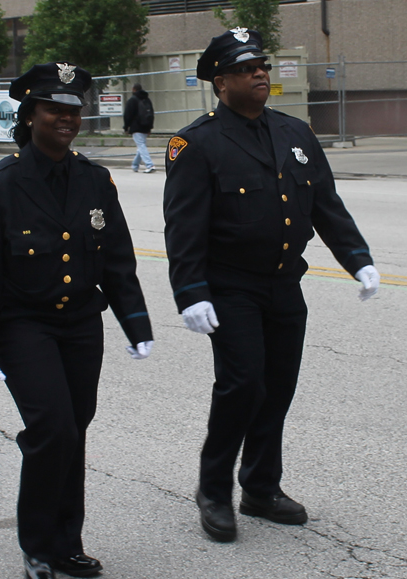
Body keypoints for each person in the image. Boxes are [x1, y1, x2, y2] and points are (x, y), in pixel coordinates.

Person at [163, 28, 380, 543]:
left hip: (284, 285)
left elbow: (326, 205)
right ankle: (213, 489)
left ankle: (260, 486)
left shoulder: (294, 133)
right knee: (242, 384)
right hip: (230, 286)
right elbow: (184, 227)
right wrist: (191, 291)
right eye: (244, 69)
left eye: (260, 65)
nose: (259, 73)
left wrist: (358, 259)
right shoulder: (196, 143)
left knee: (277, 389)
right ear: (220, 83)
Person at [0, 62, 153, 579]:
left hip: (80, 325)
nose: (67, 119)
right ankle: (38, 546)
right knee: (53, 431)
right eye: (54, 110)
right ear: (31, 116)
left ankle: (68, 540)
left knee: (76, 427)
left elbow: (117, 259)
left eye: (73, 110)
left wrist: (135, 322)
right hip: (24, 325)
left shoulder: (94, 180)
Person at [123, 83, 156, 173]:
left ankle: (149, 165)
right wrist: (150, 128)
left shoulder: (132, 100)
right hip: (145, 126)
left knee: (141, 146)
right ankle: (135, 165)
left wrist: (126, 127)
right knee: (141, 146)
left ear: (133, 89)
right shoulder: (147, 99)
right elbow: (151, 114)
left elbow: (127, 115)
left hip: (136, 127)